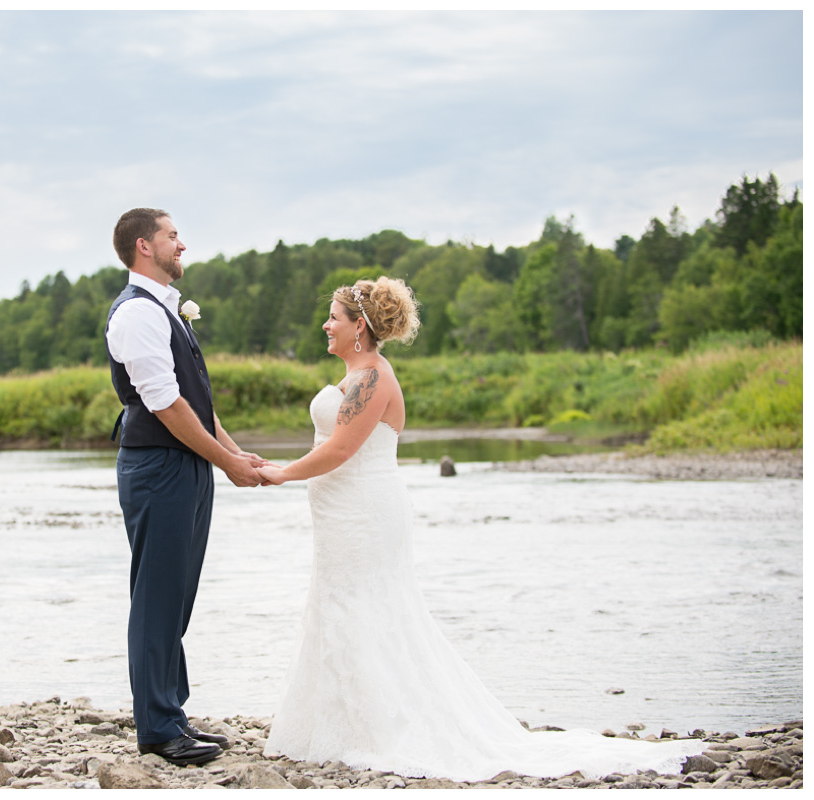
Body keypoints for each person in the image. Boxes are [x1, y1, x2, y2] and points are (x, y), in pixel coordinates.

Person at [256, 277, 705, 781]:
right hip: (344, 513)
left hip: (363, 514)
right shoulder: (359, 376)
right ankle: (336, 725)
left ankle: (379, 729)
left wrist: (281, 473)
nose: (326, 324)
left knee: (369, 608)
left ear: (358, 326)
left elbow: (340, 451)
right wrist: (274, 464)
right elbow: (330, 444)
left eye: (334, 317)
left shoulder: (372, 379)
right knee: (340, 604)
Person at [105, 208, 265, 767]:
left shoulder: (167, 311)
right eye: (174, 235)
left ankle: (172, 713)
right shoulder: (136, 315)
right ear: (145, 246)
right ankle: (156, 729)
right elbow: (167, 406)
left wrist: (232, 451)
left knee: (177, 594)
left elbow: (195, 403)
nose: (183, 244)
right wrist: (225, 462)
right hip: (159, 465)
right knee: (156, 596)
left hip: (185, 462)